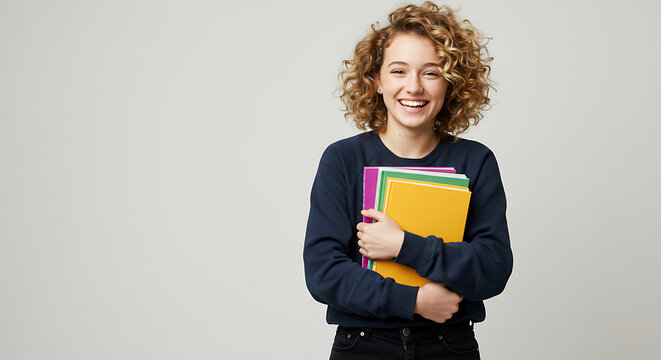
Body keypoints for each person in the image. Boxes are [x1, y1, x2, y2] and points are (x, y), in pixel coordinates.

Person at [303, 2, 513, 359]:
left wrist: (404, 246)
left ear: (451, 83)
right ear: (377, 81)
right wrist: (414, 301)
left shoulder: (476, 161)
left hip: (449, 344)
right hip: (362, 345)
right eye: (399, 71)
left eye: (431, 73)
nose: (413, 87)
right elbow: (324, 272)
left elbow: (493, 268)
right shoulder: (342, 160)